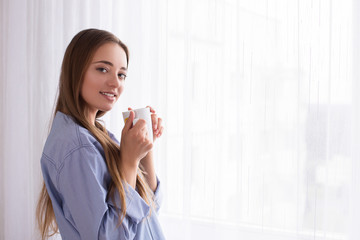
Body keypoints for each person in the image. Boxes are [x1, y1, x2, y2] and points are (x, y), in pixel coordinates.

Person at [36, 28, 165, 240]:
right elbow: (108, 236)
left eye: (121, 74)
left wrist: (145, 150)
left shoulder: (97, 135)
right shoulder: (76, 146)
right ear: (76, 71)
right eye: (103, 69)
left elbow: (147, 214)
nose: (116, 83)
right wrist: (130, 161)